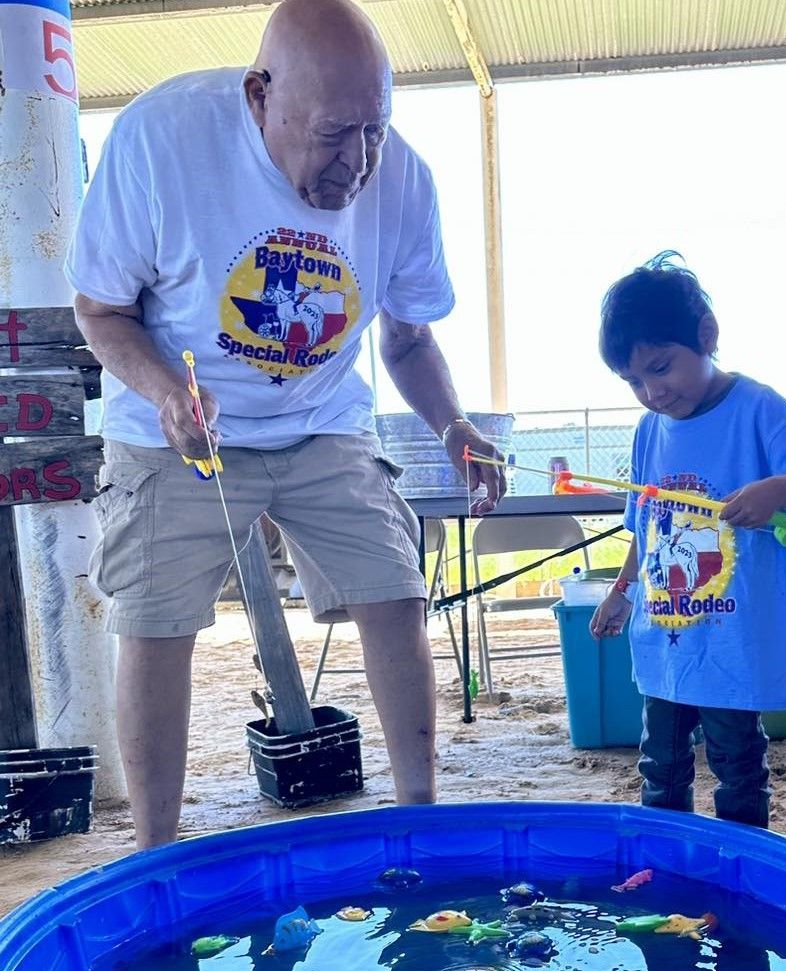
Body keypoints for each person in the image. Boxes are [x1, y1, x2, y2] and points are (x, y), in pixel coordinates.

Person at [65, 0, 505, 849]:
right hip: (174, 429)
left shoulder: (401, 177)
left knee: (394, 590)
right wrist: (165, 393)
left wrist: (454, 428)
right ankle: (157, 849)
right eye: (335, 134)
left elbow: (408, 337)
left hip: (323, 419)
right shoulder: (162, 139)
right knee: (154, 622)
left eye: (375, 131)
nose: (358, 163)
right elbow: (100, 308)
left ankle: (421, 818)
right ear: (260, 94)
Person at [589, 253, 786, 827]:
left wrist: (777, 490)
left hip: (731, 633)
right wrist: (621, 589)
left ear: (706, 335)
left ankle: (742, 858)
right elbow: (645, 525)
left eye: (661, 367)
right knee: (659, 759)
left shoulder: (757, 407)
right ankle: (665, 856)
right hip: (666, 630)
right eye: (633, 381)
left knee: (736, 757)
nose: (652, 392)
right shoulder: (650, 430)